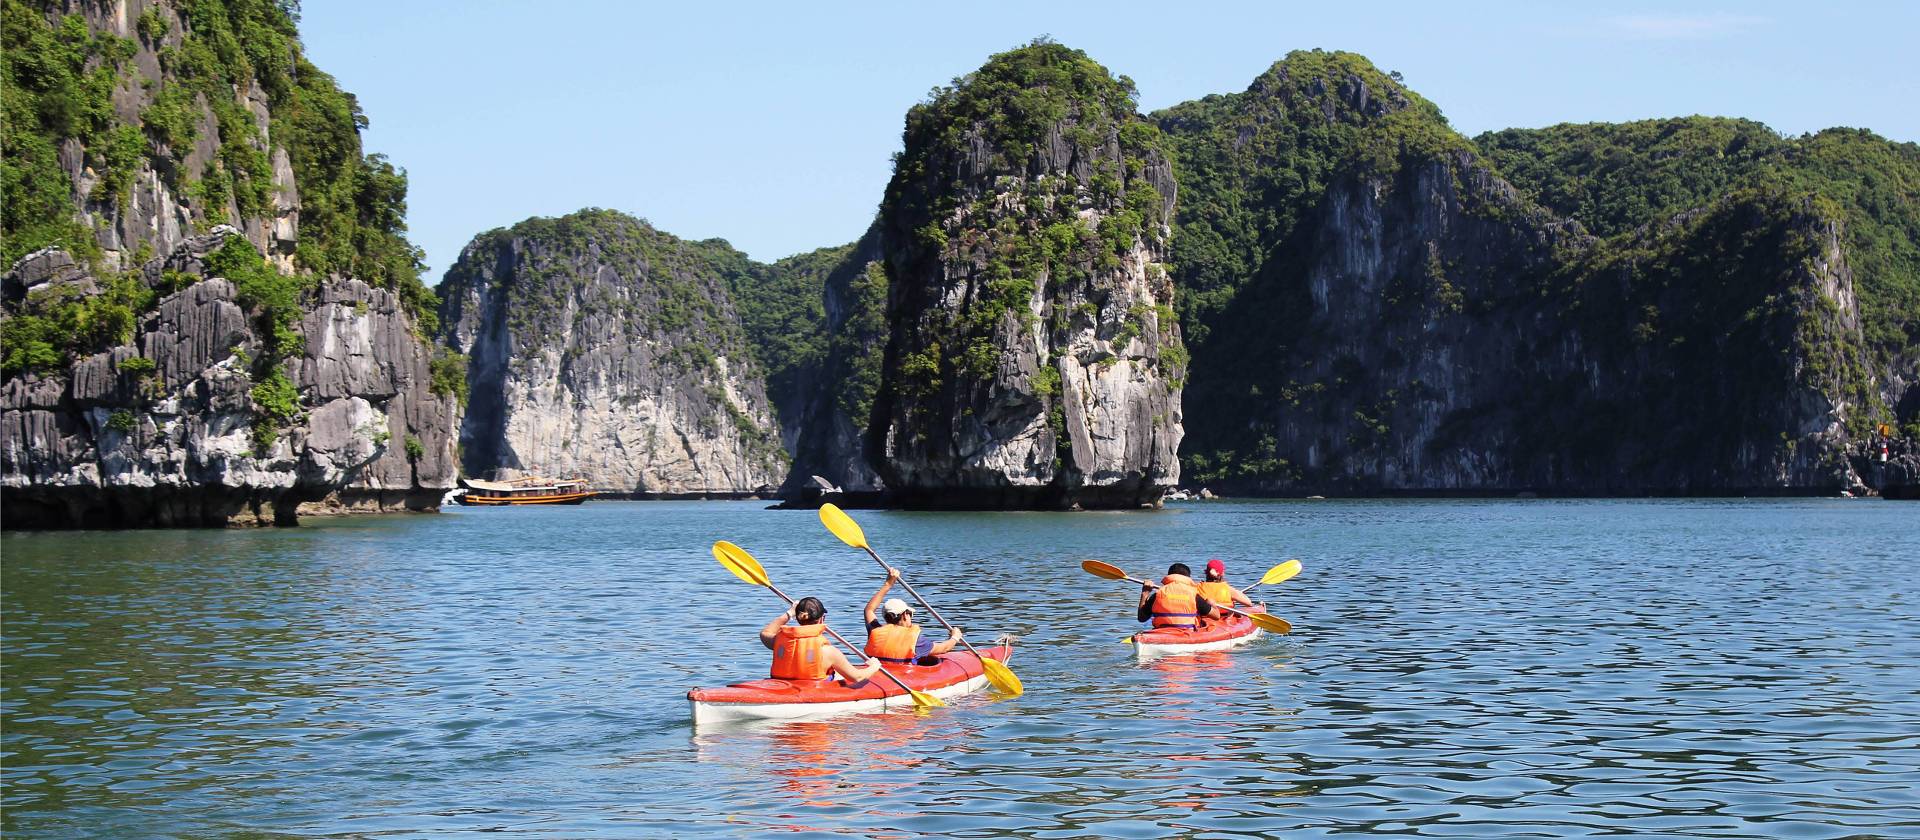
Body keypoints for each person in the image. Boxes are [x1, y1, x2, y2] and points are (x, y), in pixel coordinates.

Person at [760, 596, 883, 683]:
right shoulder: (828, 651)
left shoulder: (780, 641)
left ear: (798, 618)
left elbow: (765, 633)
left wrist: (789, 613)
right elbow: (857, 678)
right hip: (813, 692)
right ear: (821, 619)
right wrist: (874, 666)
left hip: (783, 687)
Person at [864, 567, 961, 665]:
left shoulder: (874, 631)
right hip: (903, 677)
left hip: (878, 675)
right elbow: (944, 648)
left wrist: (888, 584)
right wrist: (955, 637)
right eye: (911, 614)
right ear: (905, 615)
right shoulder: (916, 641)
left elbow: (869, 610)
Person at [1137, 562, 1215, 629]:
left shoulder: (1157, 594)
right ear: (1188, 578)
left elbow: (1141, 618)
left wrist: (1145, 593)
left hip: (1162, 632)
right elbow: (1216, 616)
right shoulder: (1194, 596)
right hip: (1186, 634)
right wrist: (1212, 604)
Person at [1195, 558, 1257, 625]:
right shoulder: (1228, 589)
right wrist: (1234, 597)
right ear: (1222, 573)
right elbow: (1249, 603)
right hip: (1226, 621)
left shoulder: (1197, 588)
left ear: (1206, 573)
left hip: (1204, 622)